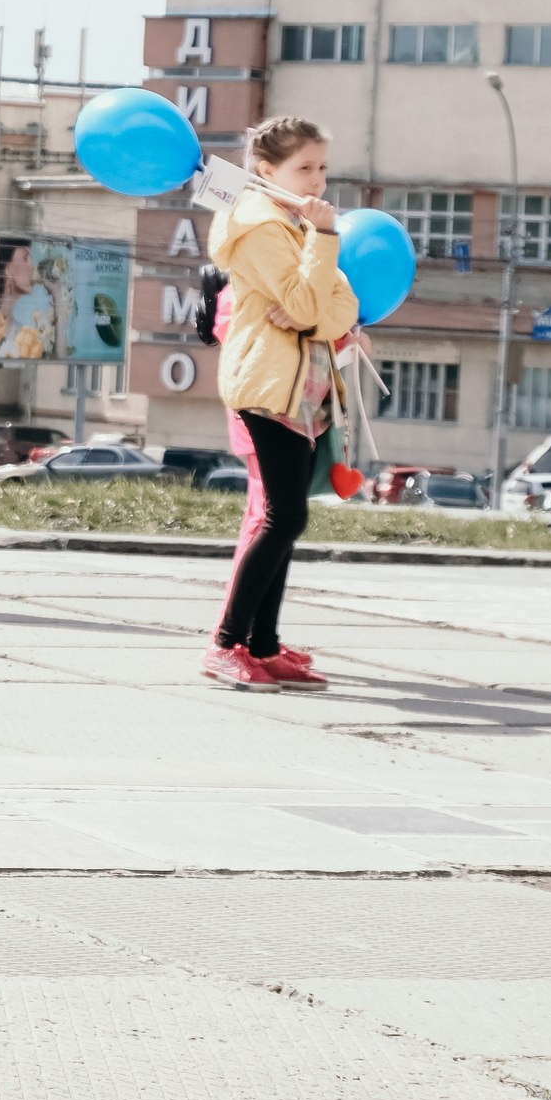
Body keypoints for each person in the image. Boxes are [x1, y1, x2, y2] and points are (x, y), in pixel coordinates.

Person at [203, 115, 359, 691]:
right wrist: (322, 246)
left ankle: (263, 645)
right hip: (268, 385)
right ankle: (226, 644)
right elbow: (308, 300)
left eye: (322, 168)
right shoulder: (260, 225)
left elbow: (341, 306)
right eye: (305, 168)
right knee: (284, 516)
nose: (317, 181)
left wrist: (315, 303)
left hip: (300, 386)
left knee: (289, 520)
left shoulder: (293, 223)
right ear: (266, 171)